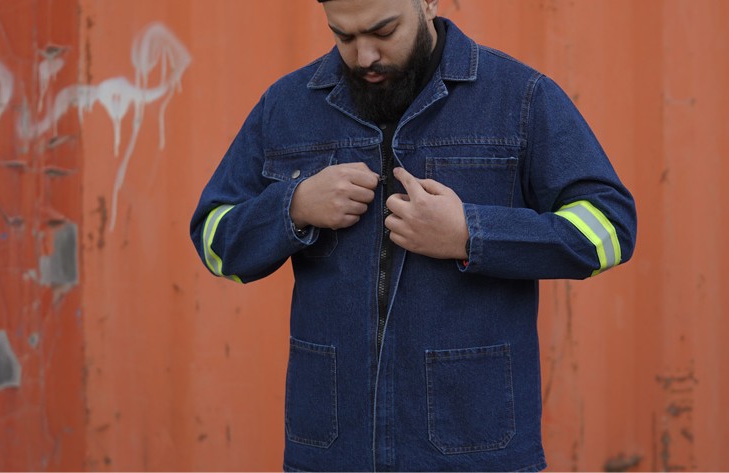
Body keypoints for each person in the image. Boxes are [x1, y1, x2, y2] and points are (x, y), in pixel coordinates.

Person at [190, 0, 637, 470]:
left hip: (475, 451)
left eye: (383, 31)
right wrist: (294, 206)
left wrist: (471, 234)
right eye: (344, 37)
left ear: (427, 3)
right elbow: (215, 241)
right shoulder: (287, 106)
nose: (364, 56)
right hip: (332, 451)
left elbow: (610, 227)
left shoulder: (519, 97)